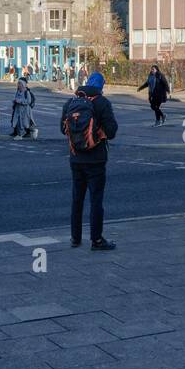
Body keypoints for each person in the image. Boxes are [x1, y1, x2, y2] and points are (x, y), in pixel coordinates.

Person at [61, 71, 118, 251]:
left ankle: (75, 238)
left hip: (76, 158)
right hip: (96, 159)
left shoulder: (71, 103)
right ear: (101, 86)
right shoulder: (102, 103)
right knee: (96, 200)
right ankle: (96, 240)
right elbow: (112, 131)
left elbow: (62, 129)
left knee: (77, 199)